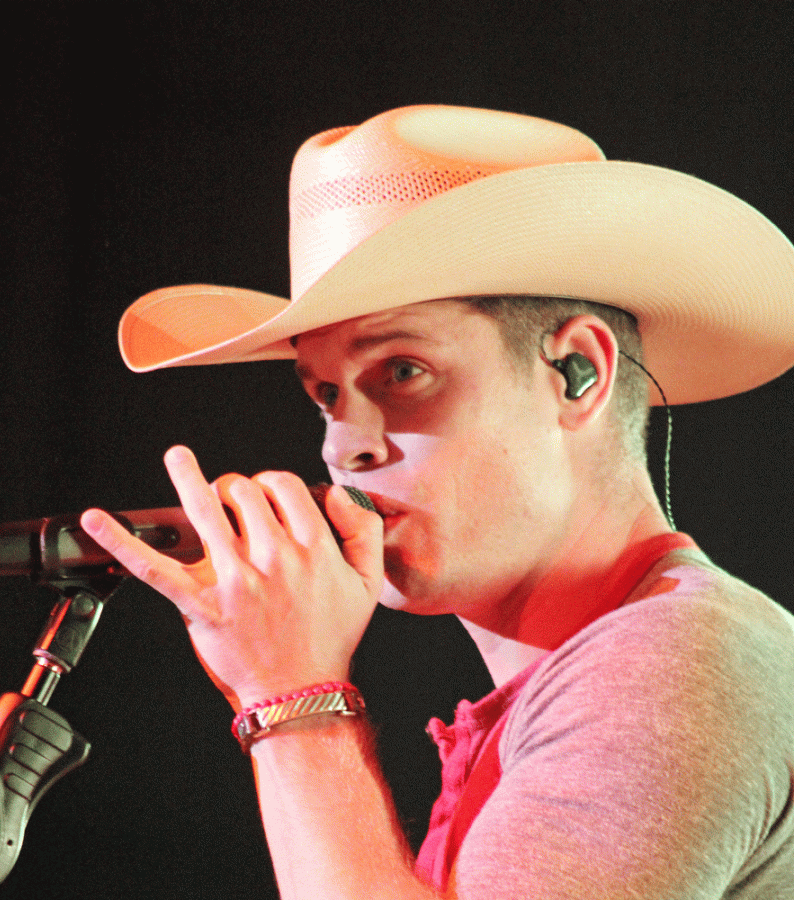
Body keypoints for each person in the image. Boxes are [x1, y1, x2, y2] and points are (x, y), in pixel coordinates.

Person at [81, 106, 794, 898]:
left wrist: (292, 700)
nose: (340, 446)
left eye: (399, 372)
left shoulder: (669, 664)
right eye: (325, 394)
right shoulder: (606, 669)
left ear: (574, 373)